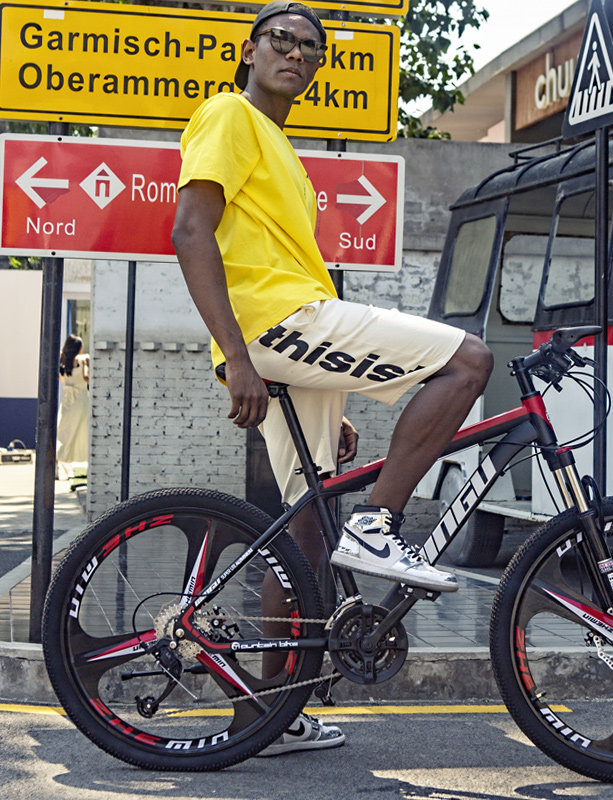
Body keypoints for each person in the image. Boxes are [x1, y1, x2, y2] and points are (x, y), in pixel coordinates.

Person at [172, 1, 492, 755]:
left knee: (305, 527)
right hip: (280, 322)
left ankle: (268, 713)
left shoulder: (280, 146)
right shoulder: (229, 114)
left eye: (310, 49)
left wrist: (319, 385)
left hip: (292, 339)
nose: (296, 54)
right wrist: (239, 356)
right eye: (281, 40)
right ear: (250, 50)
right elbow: (189, 230)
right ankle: (378, 527)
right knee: (468, 360)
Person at [56, 334, 89, 481]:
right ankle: (69, 460)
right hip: (81, 400)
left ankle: (61, 460)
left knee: (65, 430)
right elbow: (86, 378)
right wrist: (86, 364)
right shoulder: (82, 361)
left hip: (68, 400)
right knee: (81, 431)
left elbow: (61, 378)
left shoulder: (63, 362)